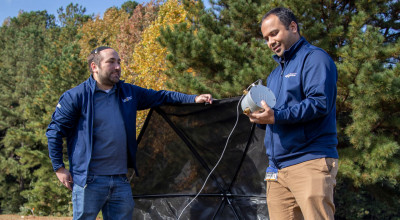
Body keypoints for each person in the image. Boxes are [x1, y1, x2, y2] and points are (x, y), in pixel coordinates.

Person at [46, 46, 212, 219]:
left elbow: (161, 96)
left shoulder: (129, 93)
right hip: (89, 181)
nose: (117, 66)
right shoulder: (75, 96)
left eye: (118, 62)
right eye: (111, 62)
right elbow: (54, 132)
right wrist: (59, 168)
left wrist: (192, 98)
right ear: (94, 67)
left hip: (120, 180)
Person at [245, 7, 339, 220]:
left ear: (293, 27)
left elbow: (319, 102)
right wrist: (261, 118)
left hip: (310, 161)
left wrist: (276, 116)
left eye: (274, 33)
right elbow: (277, 115)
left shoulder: (315, 58)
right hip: (276, 171)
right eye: (266, 38)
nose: (270, 41)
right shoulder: (274, 75)